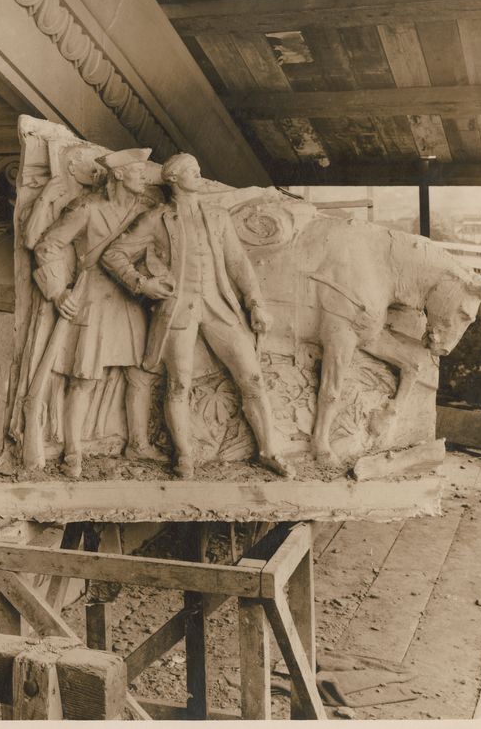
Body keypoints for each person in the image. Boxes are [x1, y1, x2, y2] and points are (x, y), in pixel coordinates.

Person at [101, 153, 294, 480]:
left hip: (218, 305)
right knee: (178, 384)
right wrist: (142, 284)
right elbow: (113, 254)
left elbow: (237, 264)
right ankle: (184, 456)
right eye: (191, 171)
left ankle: (268, 450)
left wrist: (255, 302)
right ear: (173, 179)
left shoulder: (217, 217)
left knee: (253, 377)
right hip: (178, 310)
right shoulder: (157, 218)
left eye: (198, 169)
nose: (199, 174)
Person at [30, 148, 159, 477]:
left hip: (132, 298)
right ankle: (73, 450)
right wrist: (58, 291)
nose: (144, 176)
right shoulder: (87, 208)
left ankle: (138, 444)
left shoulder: (146, 210)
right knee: (84, 378)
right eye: (137, 171)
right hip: (94, 298)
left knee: (140, 375)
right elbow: (48, 245)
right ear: (117, 174)